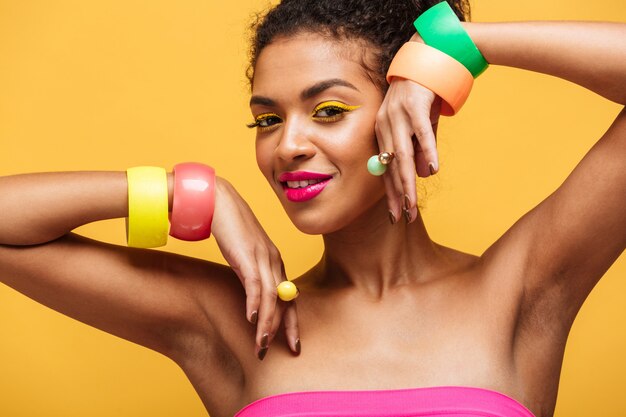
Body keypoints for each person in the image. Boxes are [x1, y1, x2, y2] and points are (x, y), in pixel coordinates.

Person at [0, 0, 624, 416]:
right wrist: (188, 193)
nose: (287, 145)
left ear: (407, 113)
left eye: (328, 110)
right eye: (267, 119)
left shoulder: (522, 287)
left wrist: (458, 48)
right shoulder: (242, 322)